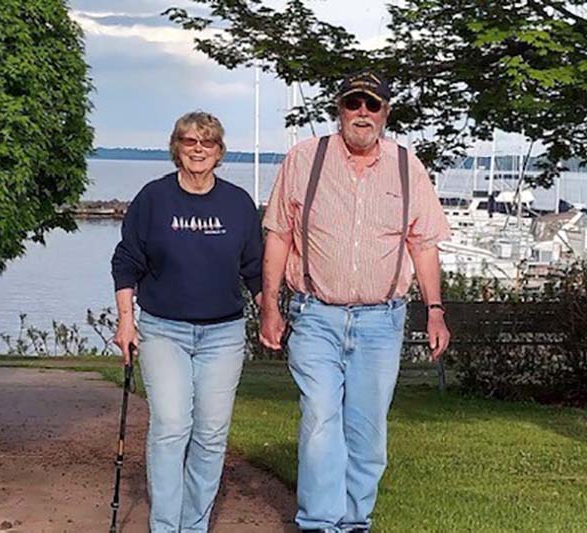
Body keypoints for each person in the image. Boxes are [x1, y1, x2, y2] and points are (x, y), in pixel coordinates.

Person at [259, 71, 451, 532]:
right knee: (320, 423)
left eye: (372, 104)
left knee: (366, 434)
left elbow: (423, 245)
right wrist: (269, 305)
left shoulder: (408, 167)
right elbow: (278, 236)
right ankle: (320, 523)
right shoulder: (304, 160)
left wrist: (435, 311)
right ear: (339, 110)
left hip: (382, 323)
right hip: (315, 315)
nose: (361, 113)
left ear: (386, 112)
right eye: (353, 103)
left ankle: (353, 522)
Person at [111, 111, 262, 532]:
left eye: (207, 142)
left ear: (219, 151)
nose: (198, 149)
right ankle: (165, 526)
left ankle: (193, 525)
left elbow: (254, 269)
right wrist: (126, 321)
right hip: (163, 330)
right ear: (176, 147)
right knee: (172, 426)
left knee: (211, 435)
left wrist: (271, 313)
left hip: (224, 333)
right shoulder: (153, 199)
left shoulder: (237, 204)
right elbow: (126, 262)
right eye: (189, 141)